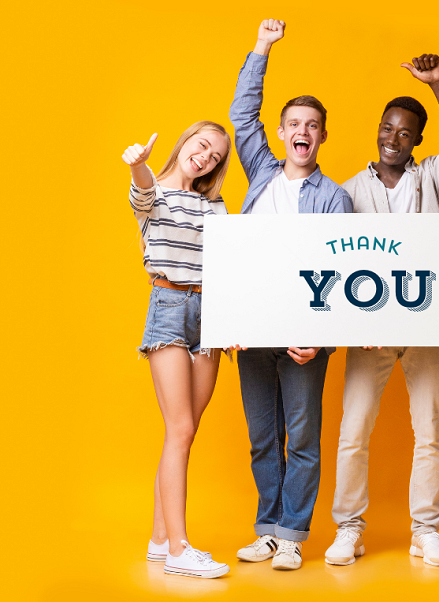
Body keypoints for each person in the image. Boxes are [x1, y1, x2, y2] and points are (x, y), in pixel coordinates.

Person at [325, 54, 439, 567]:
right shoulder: (346, 193)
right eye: (386, 128)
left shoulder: (434, 180)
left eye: (404, 132)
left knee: (431, 431)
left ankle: (425, 531)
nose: (393, 138)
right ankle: (348, 528)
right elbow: (330, 267)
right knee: (353, 432)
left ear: (417, 140)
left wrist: (438, 85)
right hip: (369, 334)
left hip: (427, 327)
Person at [228, 19, 353, 571]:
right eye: (294, 123)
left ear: (323, 136)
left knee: (301, 436)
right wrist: (262, 48)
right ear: (282, 134)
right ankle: (267, 529)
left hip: (305, 335)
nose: (303, 131)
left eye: (313, 125)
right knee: (262, 436)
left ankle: (293, 533)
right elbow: (239, 116)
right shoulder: (260, 174)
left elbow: (342, 276)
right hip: (253, 331)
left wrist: (320, 337)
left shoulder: (335, 199)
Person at [125, 121, 232, 578]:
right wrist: (139, 166)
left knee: (184, 432)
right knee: (181, 428)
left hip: (211, 313)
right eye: (202, 145)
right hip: (169, 305)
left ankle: (159, 539)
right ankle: (179, 549)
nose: (206, 157)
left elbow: (230, 263)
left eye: (215, 156)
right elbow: (143, 193)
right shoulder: (155, 193)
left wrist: (233, 320)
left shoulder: (215, 204)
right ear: (185, 141)